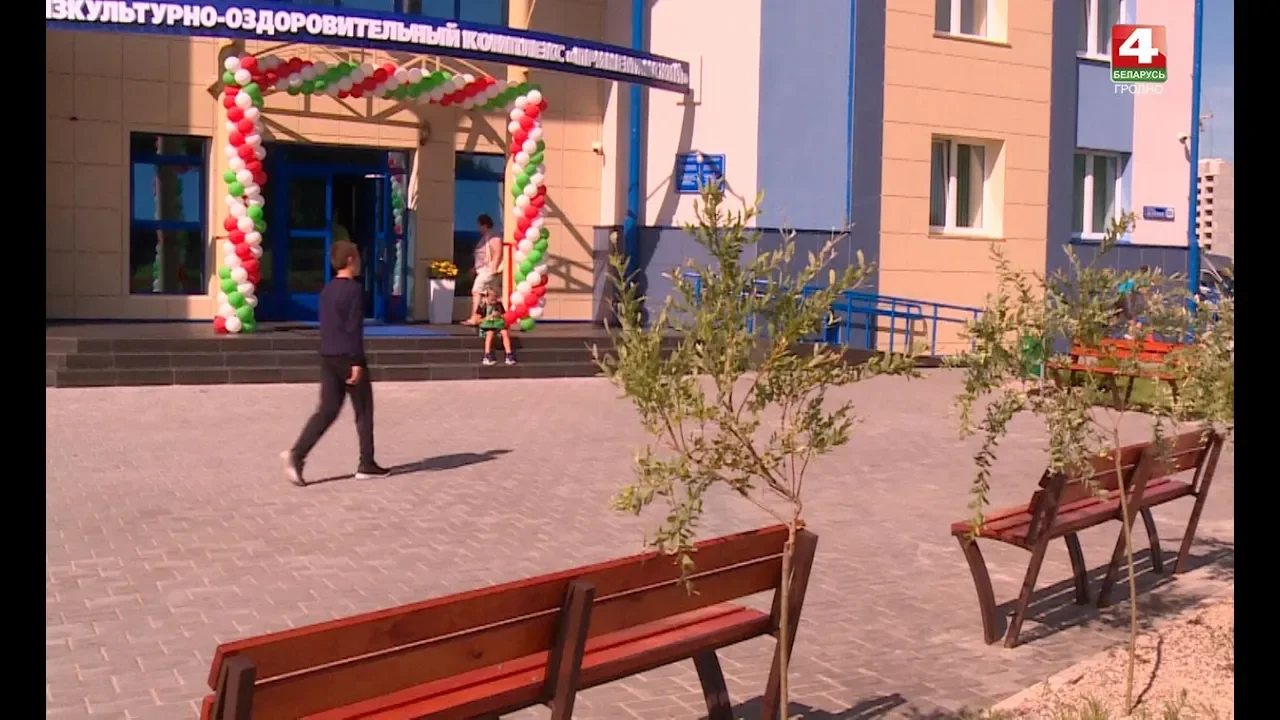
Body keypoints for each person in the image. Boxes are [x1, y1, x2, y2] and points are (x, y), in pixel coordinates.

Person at [280, 240, 389, 486]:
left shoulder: (327, 290)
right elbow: (353, 328)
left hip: (328, 356)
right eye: (357, 256)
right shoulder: (353, 290)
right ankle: (367, 463)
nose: (360, 261)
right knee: (364, 410)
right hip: (348, 357)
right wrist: (356, 361)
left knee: (327, 410)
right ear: (350, 259)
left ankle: (297, 454)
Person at [463, 214, 503, 326]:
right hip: (485, 270)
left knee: (477, 291)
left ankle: (475, 317)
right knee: (492, 294)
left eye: (479, 226)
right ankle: (492, 318)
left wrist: (493, 267)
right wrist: (475, 268)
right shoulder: (486, 237)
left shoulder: (493, 236)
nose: (478, 228)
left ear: (484, 225)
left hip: (488, 271)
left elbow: (498, 252)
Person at [477, 287, 516, 366]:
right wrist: (487, 318)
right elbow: (477, 320)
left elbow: (505, 316)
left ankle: (509, 355)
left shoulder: (498, 305)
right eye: (492, 297)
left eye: (495, 297)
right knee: (490, 333)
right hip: (486, 326)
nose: (494, 299)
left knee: (505, 332)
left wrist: (499, 315)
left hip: (497, 325)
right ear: (487, 297)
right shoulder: (482, 305)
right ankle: (487, 356)